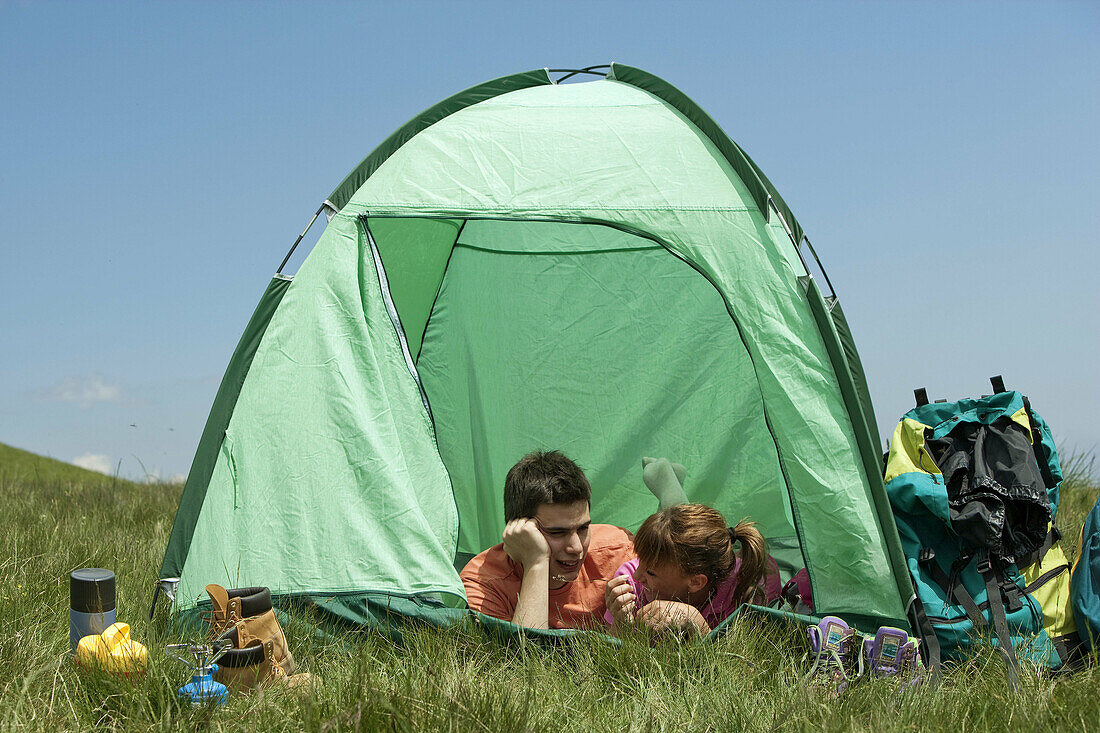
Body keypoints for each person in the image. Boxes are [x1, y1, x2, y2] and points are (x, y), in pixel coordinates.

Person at [460, 450, 634, 629]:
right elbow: (525, 654)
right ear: (520, 530)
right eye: (557, 532)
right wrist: (536, 564)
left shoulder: (618, 551)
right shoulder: (483, 583)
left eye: (583, 528)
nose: (576, 547)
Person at [604, 503, 782, 636]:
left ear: (696, 582)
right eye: (640, 560)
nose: (637, 575)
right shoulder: (630, 584)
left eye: (651, 572)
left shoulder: (748, 588)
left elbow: (740, 667)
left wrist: (696, 622)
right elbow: (613, 661)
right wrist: (620, 625)